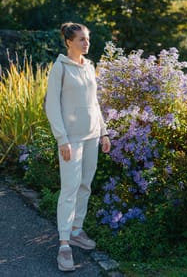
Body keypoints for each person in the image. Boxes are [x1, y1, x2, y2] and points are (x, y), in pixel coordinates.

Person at [45, 22, 111, 272]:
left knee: (85, 185)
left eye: (88, 39)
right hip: (71, 139)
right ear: (69, 42)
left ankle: (76, 230)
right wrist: (62, 139)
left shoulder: (89, 66)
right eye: (82, 39)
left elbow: (94, 102)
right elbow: (52, 105)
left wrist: (103, 132)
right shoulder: (60, 67)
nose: (87, 43)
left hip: (92, 136)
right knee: (69, 189)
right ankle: (64, 246)